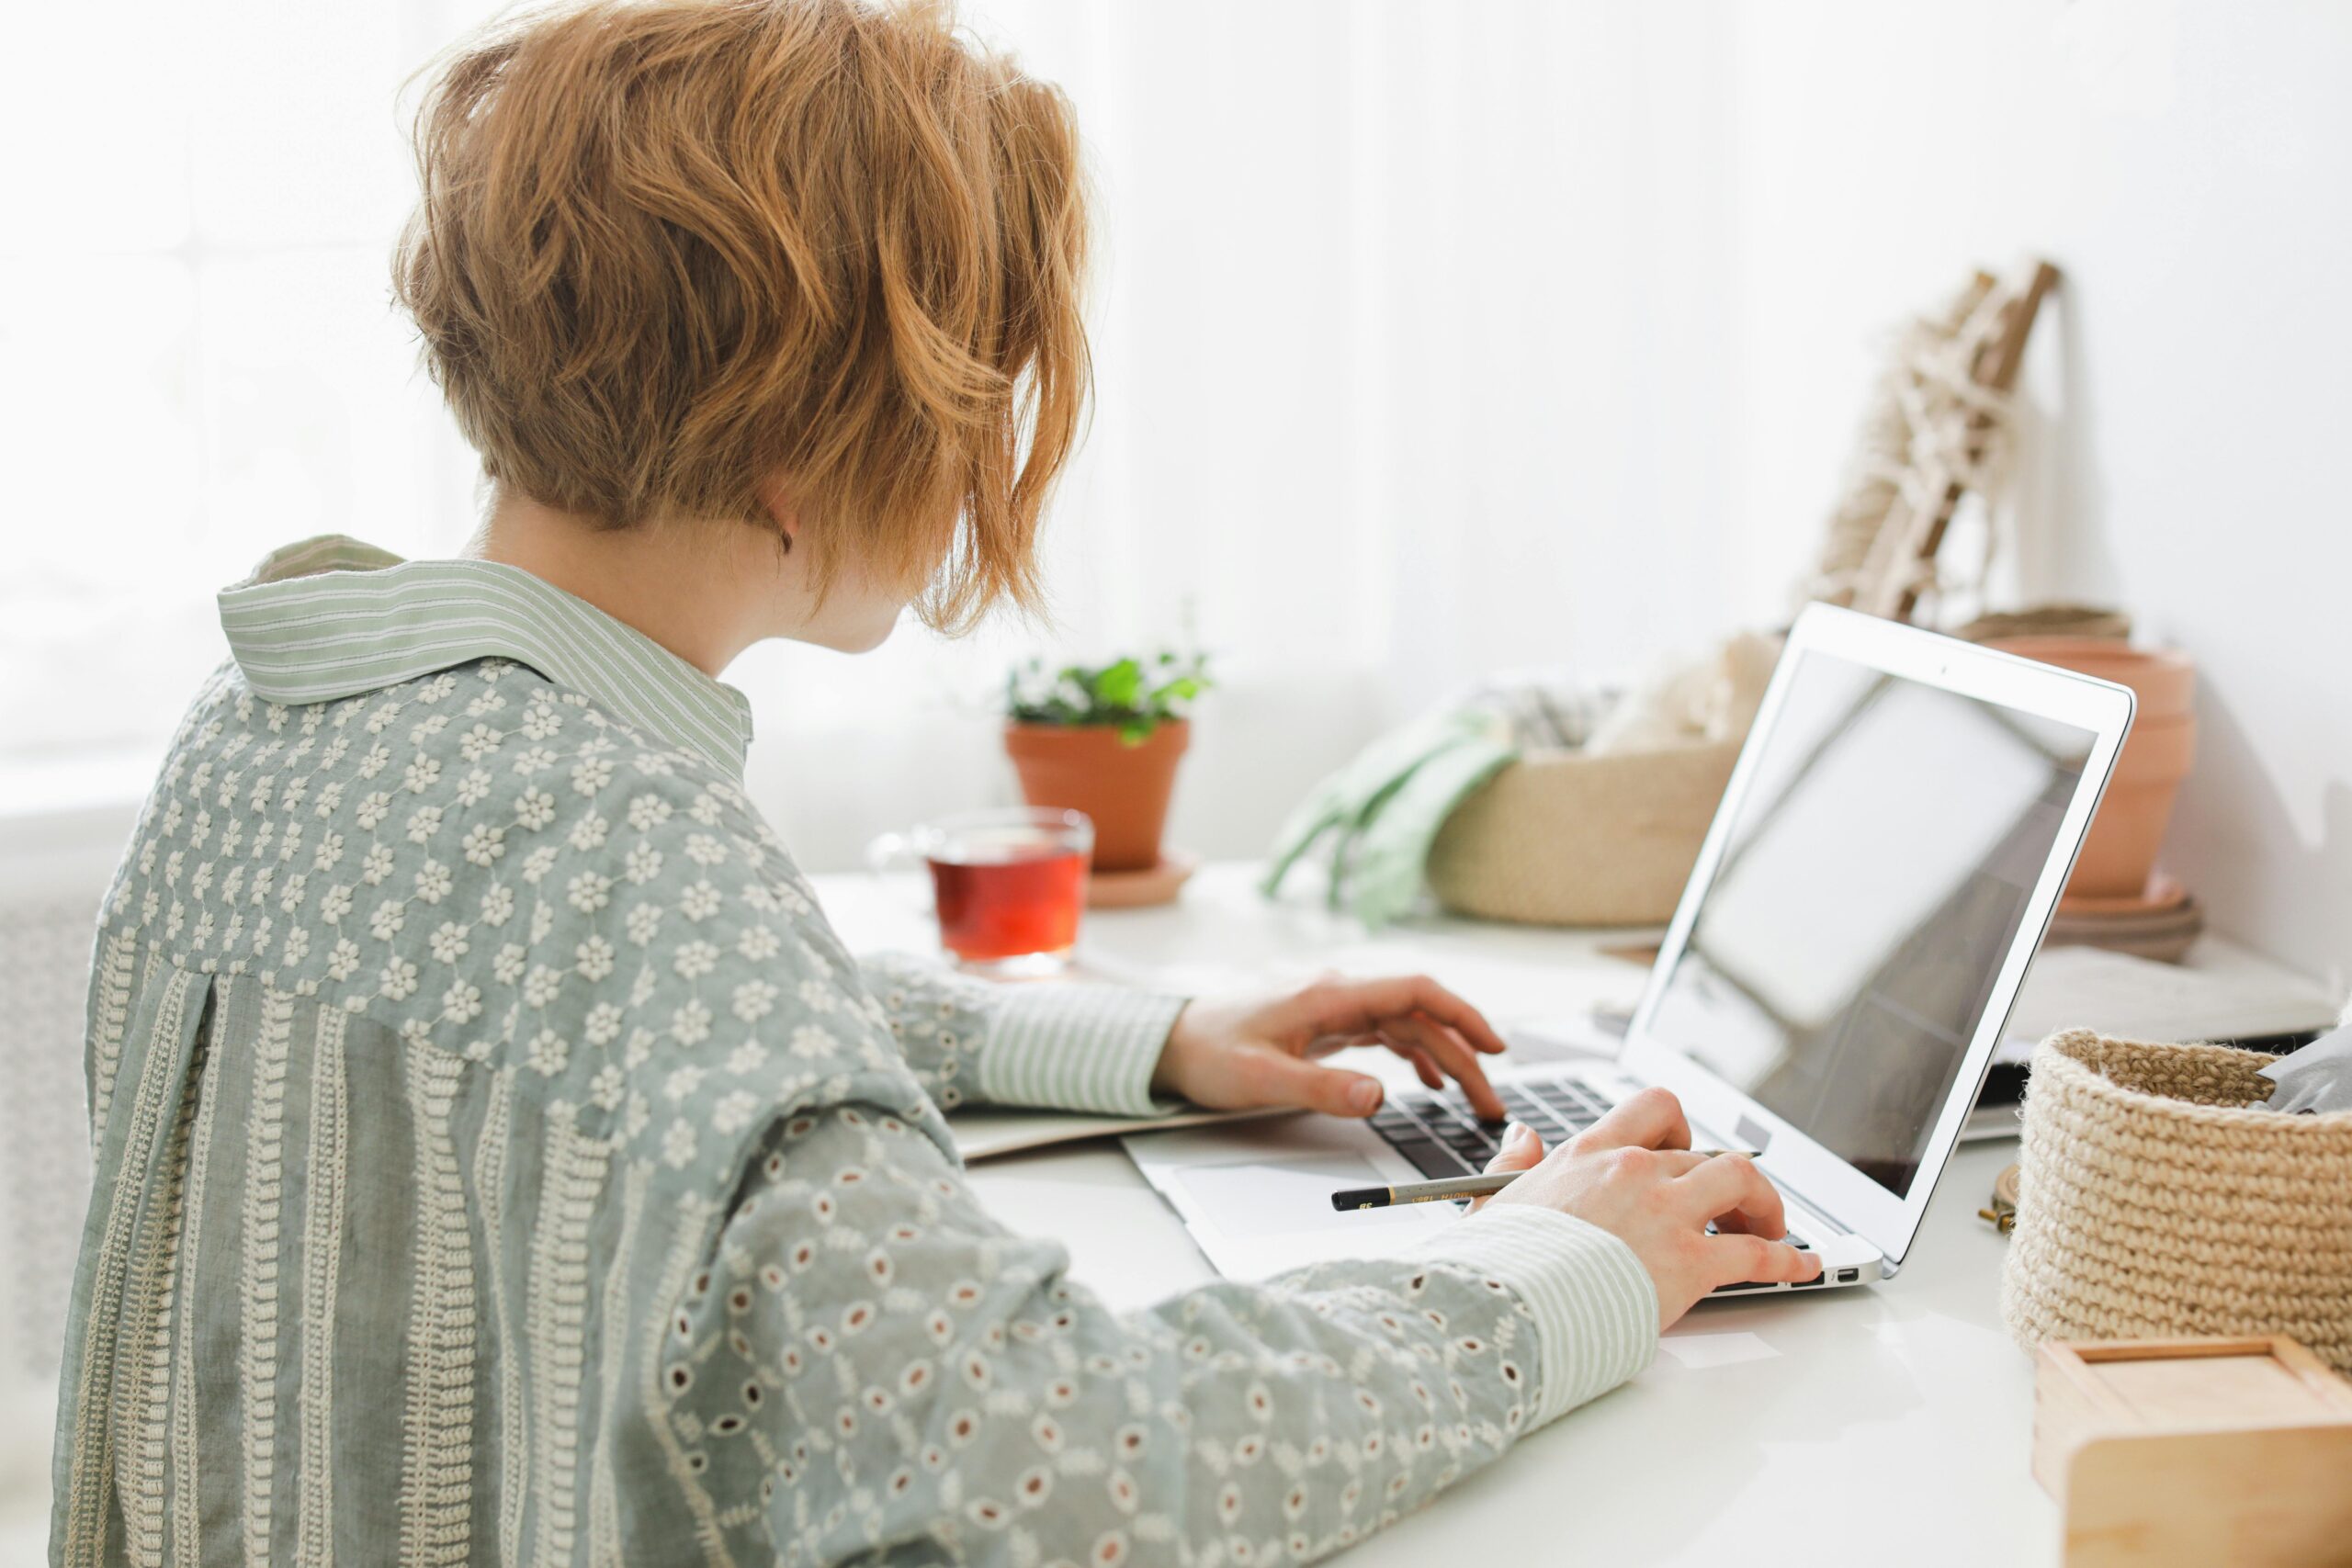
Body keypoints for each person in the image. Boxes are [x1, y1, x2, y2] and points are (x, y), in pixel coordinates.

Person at [48, 2, 1816, 1562]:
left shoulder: (294, 706)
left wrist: (1148, 1040)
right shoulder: (621, 844)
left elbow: (613, 1023)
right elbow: (1078, 1473)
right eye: (970, 393)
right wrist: (1552, 1268)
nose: (987, 452)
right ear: (808, 446)